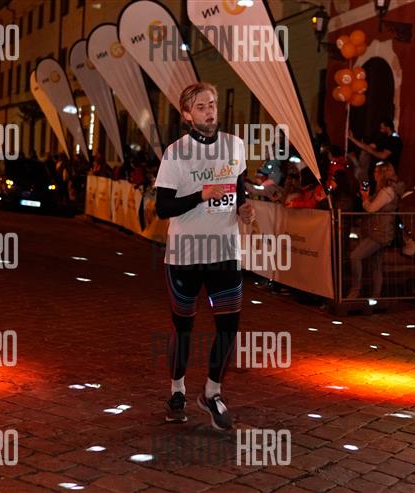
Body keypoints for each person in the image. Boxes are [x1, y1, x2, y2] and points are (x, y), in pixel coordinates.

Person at [155, 82, 255, 431]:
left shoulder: (235, 145)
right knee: (183, 327)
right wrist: (201, 194)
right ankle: (177, 390)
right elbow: (163, 207)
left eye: (211, 104)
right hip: (184, 254)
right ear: (187, 114)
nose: (209, 111)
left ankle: (212, 392)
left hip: (224, 251)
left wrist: (244, 208)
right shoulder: (175, 153)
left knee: (229, 326)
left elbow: (238, 187)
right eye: (200, 107)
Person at [347, 161, 405, 299]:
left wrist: (365, 198)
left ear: (381, 174)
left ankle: (356, 289)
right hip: (379, 230)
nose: (373, 174)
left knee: (355, 256)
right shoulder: (385, 190)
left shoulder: (387, 191)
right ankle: (376, 296)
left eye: (376, 172)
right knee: (376, 264)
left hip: (379, 232)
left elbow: (371, 208)